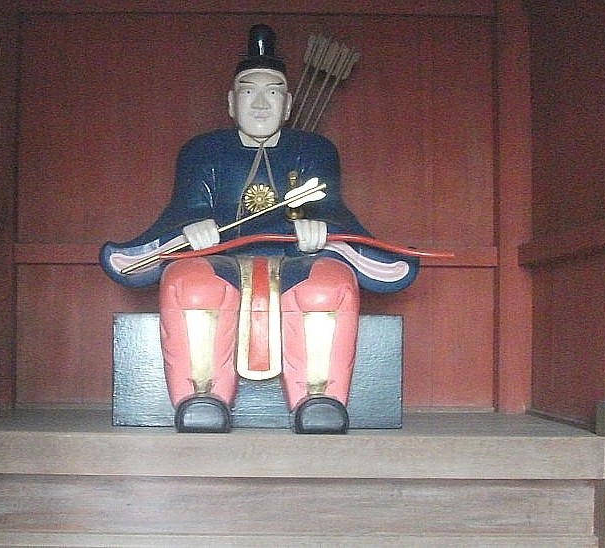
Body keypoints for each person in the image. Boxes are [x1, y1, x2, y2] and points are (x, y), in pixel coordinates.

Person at [100, 24, 418, 433]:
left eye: (274, 92)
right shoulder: (202, 152)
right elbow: (184, 210)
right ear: (231, 103)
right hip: (220, 258)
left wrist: (320, 229)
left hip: (296, 258)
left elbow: (330, 208)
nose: (262, 103)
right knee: (190, 282)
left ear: (288, 105)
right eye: (249, 92)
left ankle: (319, 398)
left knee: (329, 284)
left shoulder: (313, 151)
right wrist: (193, 228)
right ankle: (201, 395)